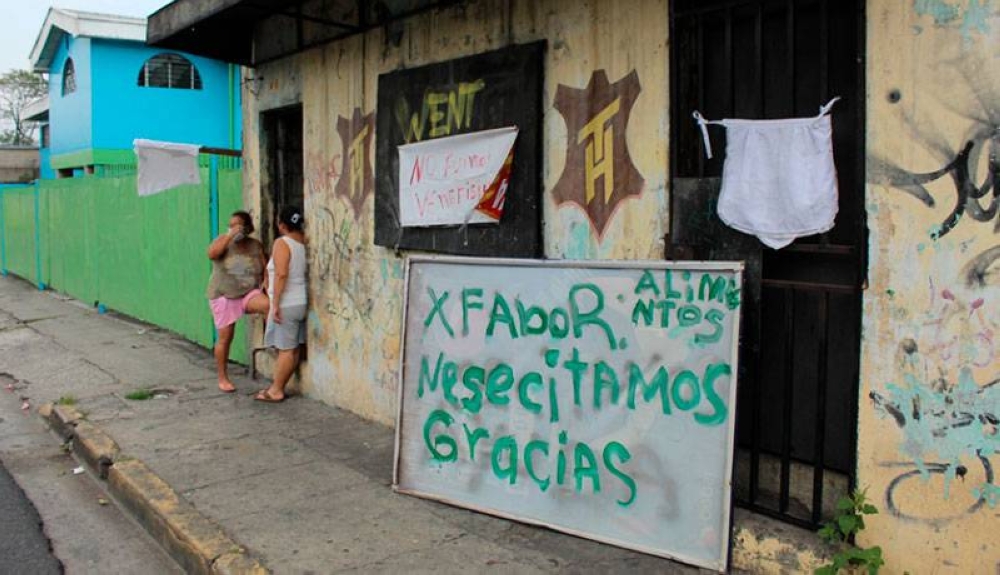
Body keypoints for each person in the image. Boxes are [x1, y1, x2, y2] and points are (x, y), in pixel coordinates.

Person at [206, 211, 268, 393]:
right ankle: (222, 377)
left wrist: (265, 282)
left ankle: (274, 343)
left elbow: (265, 266)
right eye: (231, 224)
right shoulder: (222, 241)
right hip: (224, 295)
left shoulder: (254, 245)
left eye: (238, 225)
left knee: (268, 306)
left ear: (247, 227)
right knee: (226, 338)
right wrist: (229, 236)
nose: (234, 228)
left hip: (248, 292)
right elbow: (212, 254)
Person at [251, 206, 307, 403]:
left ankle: (276, 389)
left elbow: (282, 273)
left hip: (287, 302)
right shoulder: (302, 242)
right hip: (299, 301)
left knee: (285, 348)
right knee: (293, 348)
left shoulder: (282, 243)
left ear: (281, 225)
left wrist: (275, 304)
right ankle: (278, 386)